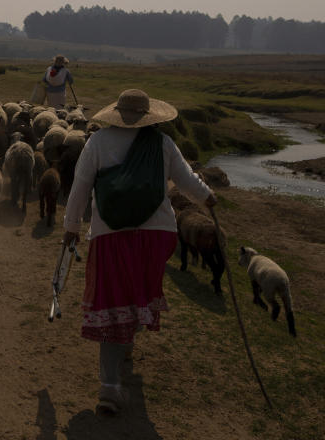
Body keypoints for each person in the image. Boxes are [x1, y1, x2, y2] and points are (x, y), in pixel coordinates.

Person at [61, 89, 216, 415]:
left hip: (111, 237)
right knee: (136, 295)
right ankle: (127, 340)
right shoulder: (161, 143)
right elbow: (187, 181)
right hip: (155, 236)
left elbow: (80, 186)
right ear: (148, 117)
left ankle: (109, 388)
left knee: (112, 302)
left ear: (117, 113)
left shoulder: (98, 142)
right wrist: (208, 198)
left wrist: (71, 225)